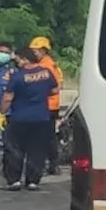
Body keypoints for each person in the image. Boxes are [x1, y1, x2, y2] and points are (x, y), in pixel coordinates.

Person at [0, 46, 59, 191]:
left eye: (18, 60)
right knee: (37, 150)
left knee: (14, 149)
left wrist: (1, 113)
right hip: (42, 117)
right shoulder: (47, 72)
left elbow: (8, 98)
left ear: (25, 59)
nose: (18, 63)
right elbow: (54, 90)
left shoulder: (18, 76)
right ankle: (33, 181)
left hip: (20, 118)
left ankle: (14, 180)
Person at [27, 36, 65, 174]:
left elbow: (48, 86)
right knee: (49, 136)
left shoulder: (44, 66)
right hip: (51, 105)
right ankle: (53, 164)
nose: (34, 53)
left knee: (42, 136)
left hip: (46, 105)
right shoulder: (52, 64)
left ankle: (45, 164)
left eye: (36, 50)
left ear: (44, 50)